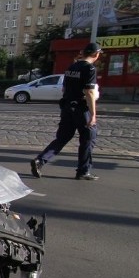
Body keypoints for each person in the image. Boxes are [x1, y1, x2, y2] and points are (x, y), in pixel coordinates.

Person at [30, 42, 102, 181]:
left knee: (62, 138)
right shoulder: (90, 69)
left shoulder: (72, 67)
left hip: (67, 107)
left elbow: (64, 89)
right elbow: (89, 92)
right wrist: (93, 115)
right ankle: (83, 171)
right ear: (96, 54)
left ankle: (41, 160)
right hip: (81, 108)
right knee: (88, 138)